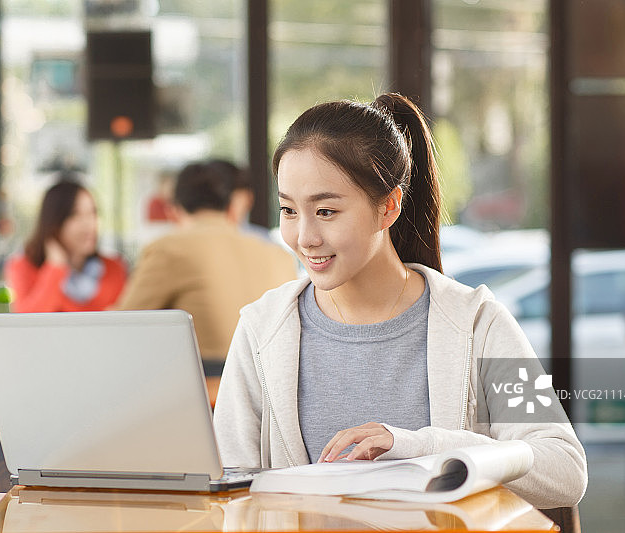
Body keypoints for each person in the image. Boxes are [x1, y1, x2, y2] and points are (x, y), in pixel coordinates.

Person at [213, 93, 588, 509]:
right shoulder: (262, 328)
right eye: (288, 210)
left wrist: (419, 446)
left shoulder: (477, 322)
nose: (304, 238)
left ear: (389, 206)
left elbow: (564, 468)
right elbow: (227, 487)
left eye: (326, 212)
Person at [116, 160, 298, 365]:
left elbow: (123, 324)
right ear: (229, 203)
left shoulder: (169, 248)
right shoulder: (277, 253)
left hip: (208, 381)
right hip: (276, 376)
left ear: (175, 208)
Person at [5, 179, 127, 312]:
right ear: (54, 221)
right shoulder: (23, 267)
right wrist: (55, 268)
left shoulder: (114, 268)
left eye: (93, 213)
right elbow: (28, 320)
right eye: (75, 215)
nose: (90, 224)